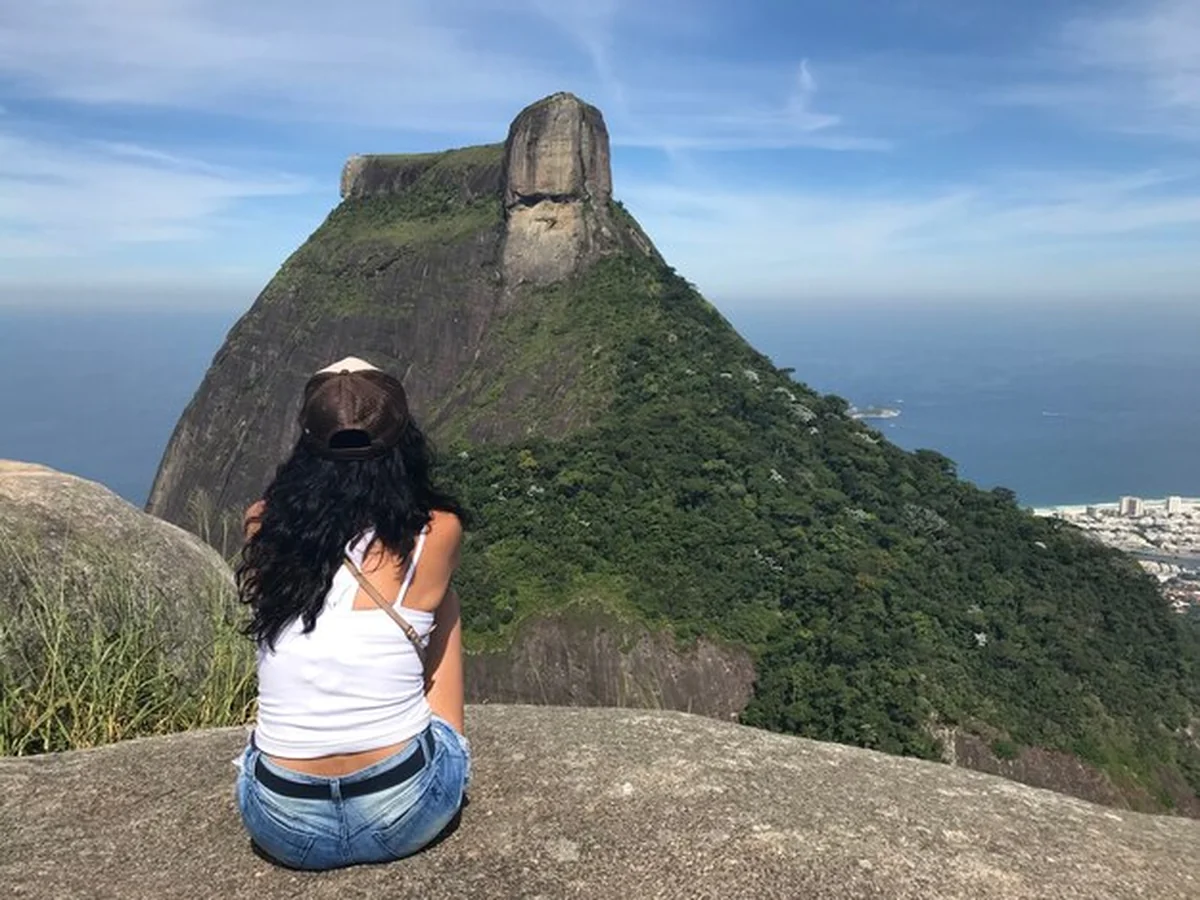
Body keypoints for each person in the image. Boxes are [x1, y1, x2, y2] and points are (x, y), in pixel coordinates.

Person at [233, 355, 470, 870]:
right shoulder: (436, 532)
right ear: (404, 441)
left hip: (281, 826)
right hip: (406, 813)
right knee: (443, 600)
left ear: (306, 446)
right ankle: (441, 739)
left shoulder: (262, 524)